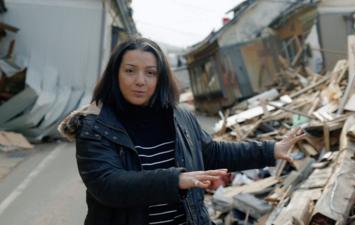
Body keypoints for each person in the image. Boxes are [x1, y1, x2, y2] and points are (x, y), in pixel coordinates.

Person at [58, 37, 305, 225]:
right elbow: (108, 185)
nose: (140, 80)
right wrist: (174, 179)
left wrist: (270, 150)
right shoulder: (94, 126)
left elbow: (212, 152)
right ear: (115, 74)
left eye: (150, 72)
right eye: (130, 70)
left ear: (161, 77)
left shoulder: (179, 116)